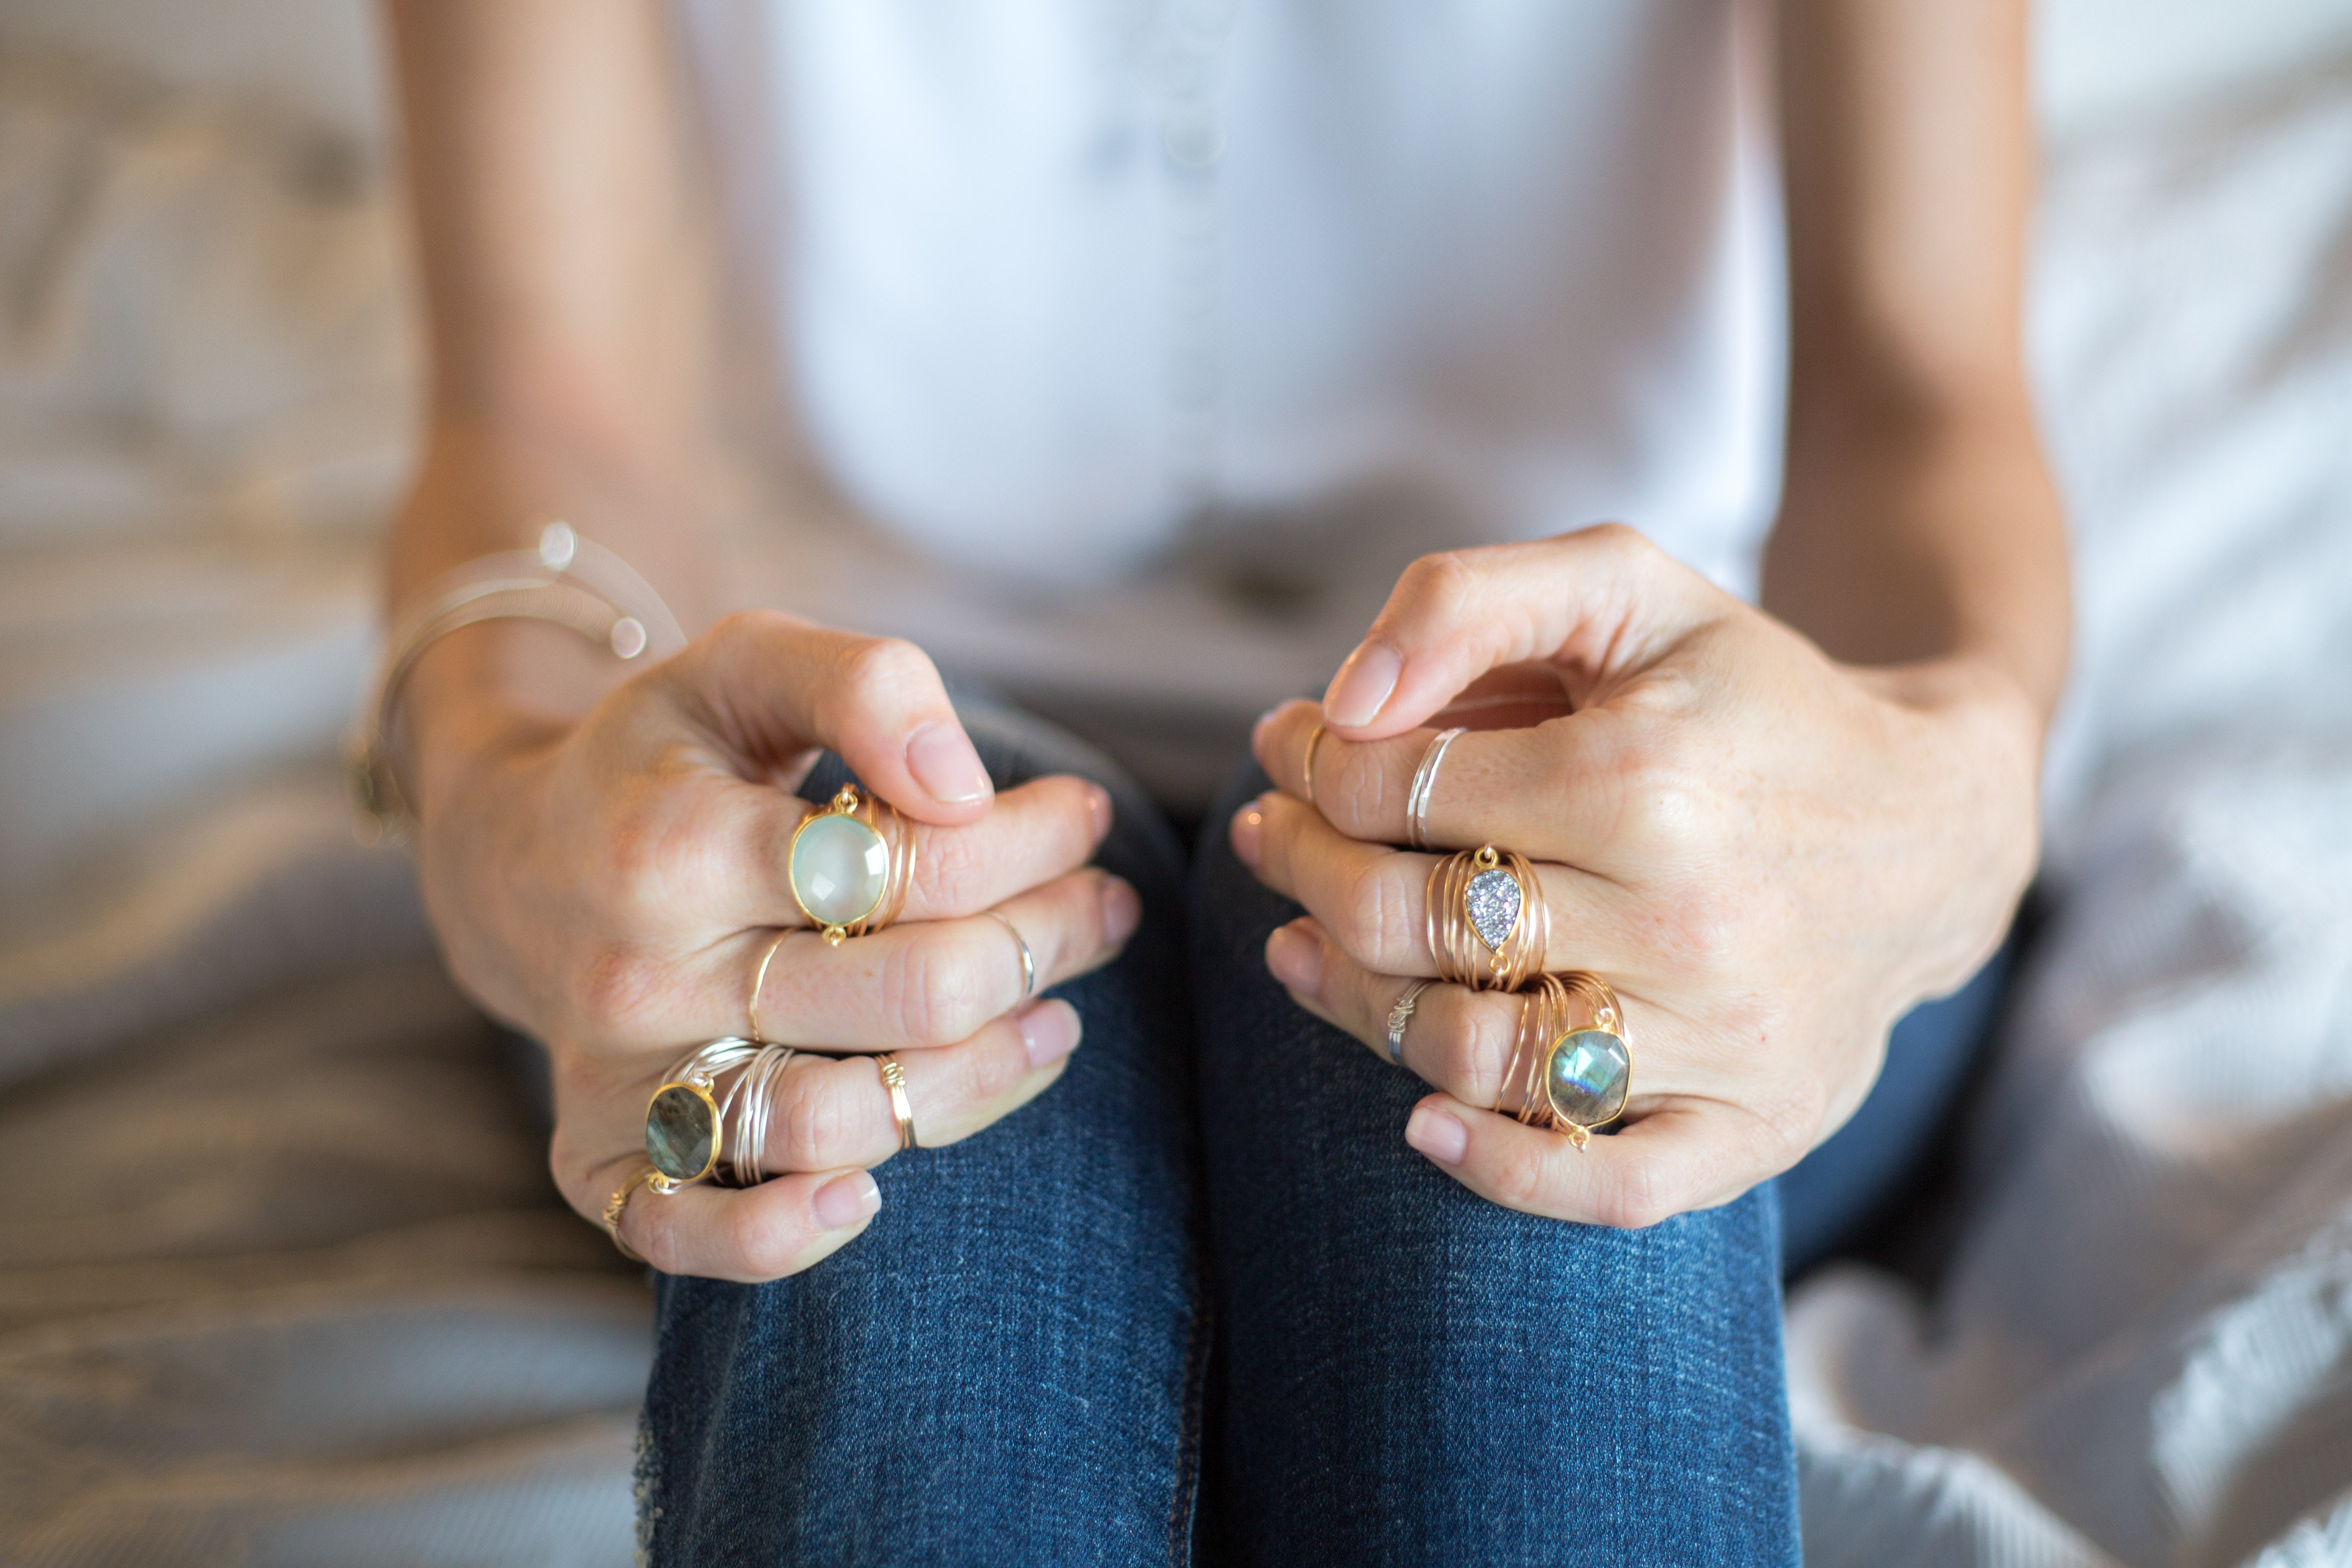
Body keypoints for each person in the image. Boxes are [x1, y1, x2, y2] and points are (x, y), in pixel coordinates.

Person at [375, 1, 2066, 1560]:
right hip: (880, 733)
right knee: (898, 1021)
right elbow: (539, 414)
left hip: (1611, 756)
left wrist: (1946, 771)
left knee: (1523, 1058)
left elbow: (1919, 393)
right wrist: (500, 794)